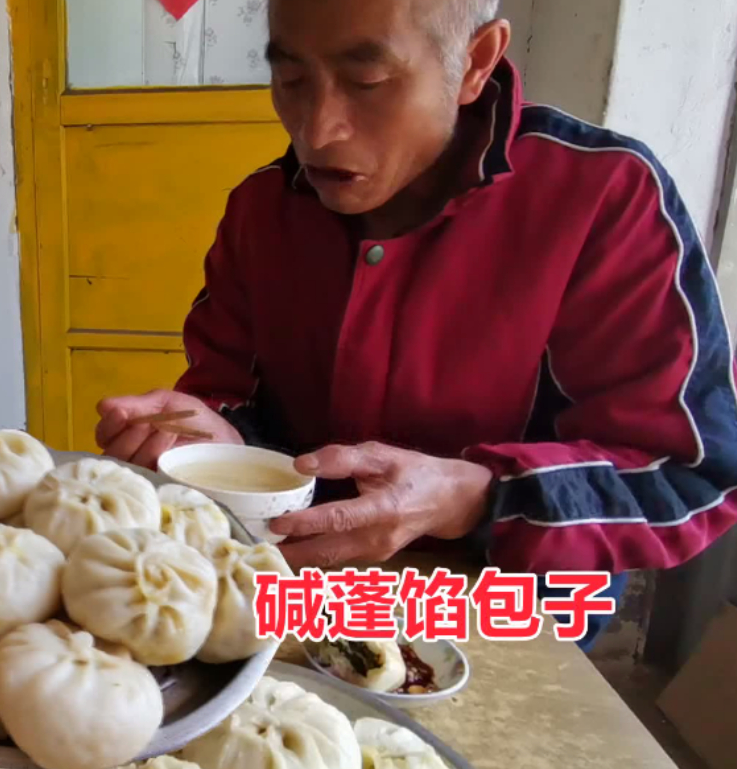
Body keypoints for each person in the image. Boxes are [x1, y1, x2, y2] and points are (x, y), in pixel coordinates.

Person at [96, 0, 737, 646]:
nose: (316, 130)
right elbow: (227, 390)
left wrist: (479, 496)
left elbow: (691, 475)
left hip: (508, 616)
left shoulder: (602, 199)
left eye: (367, 82)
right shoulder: (263, 211)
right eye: (290, 79)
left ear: (475, 62)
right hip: (298, 596)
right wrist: (214, 440)